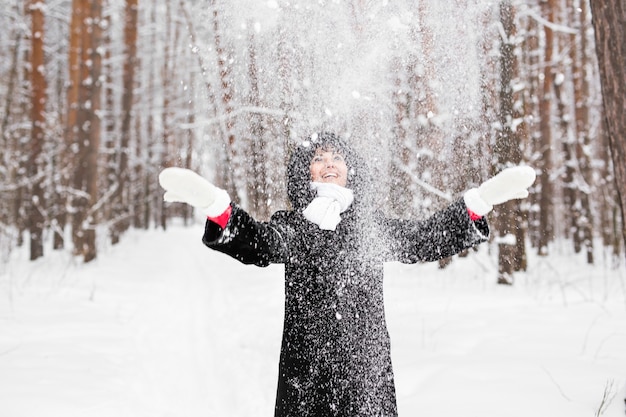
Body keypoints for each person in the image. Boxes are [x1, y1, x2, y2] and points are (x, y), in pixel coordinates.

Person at [158, 132, 535, 417]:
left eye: (337, 156)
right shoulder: (296, 225)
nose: (329, 163)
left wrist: (477, 204)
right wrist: (219, 208)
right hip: (307, 374)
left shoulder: (369, 227)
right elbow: (260, 242)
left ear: (350, 170)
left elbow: (422, 239)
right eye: (318, 157)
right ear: (305, 170)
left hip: (366, 371)